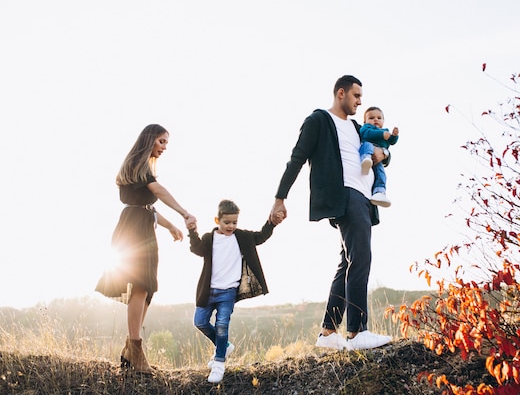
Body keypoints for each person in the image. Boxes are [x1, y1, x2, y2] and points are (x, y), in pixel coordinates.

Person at [270, 75, 392, 351]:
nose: (360, 102)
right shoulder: (319, 121)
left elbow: (384, 149)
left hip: (363, 198)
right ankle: (357, 331)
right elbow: (297, 158)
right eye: (356, 96)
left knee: (347, 262)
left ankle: (328, 333)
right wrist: (280, 198)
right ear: (341, 94)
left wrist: (384, 156)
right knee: (361, 257)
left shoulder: (357, 126)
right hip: (345, 196)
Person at [95, 124, 197, 374]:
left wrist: (171, 225)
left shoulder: (144, 168)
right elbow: (158, 193)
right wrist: (183, 212)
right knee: (141, 285)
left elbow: (147, 207)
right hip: (134, 229)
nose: (164, 148)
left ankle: (131, 350)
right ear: (150, 139)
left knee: (148, 288)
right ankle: (136, 350)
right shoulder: (136, 164)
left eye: (166, 143)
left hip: (143, 226)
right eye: (161, 141)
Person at [187, 199, 284, 383]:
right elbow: (196, 248)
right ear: (217, 220)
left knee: (222, 324)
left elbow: (261, 236)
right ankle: (224, 346)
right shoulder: (209, 239)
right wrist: (192, 231)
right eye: (227, 222)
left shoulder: (242, 237)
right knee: (199, 321)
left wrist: (272, 222)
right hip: (208, 290)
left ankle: (219, 362)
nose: (231, 226)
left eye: (234, 222)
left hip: (228, 292)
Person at [359, 106, 399, 207]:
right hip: (367, 149)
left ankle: (379, 192)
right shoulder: (366, 128)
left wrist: (394, 136)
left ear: (383, 121)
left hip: (378, 159)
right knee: (367, 145)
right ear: (365, 121)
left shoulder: (386, 131)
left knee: (381, 173)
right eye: (371, 118)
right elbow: (367, 134)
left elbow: (392, 142)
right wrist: (382, 134)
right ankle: (366, 160)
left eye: (379, 118)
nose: (375, 120)